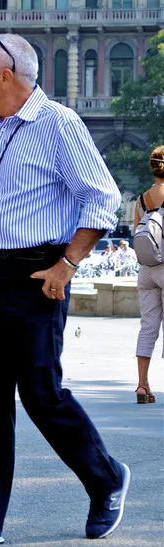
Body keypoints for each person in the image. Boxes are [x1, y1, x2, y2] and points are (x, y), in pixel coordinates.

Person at [0, 32, 130, 546]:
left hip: (40, 274)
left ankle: (106, 479)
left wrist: (67, 265)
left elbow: (101, 198)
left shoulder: (58, 124)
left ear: (5, 76)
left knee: (42, 394)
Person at [133, 145, 164, 404]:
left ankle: (142, 385)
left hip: (146, 270)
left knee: (148, 327)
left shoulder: (142, 200)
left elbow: (137, 236)